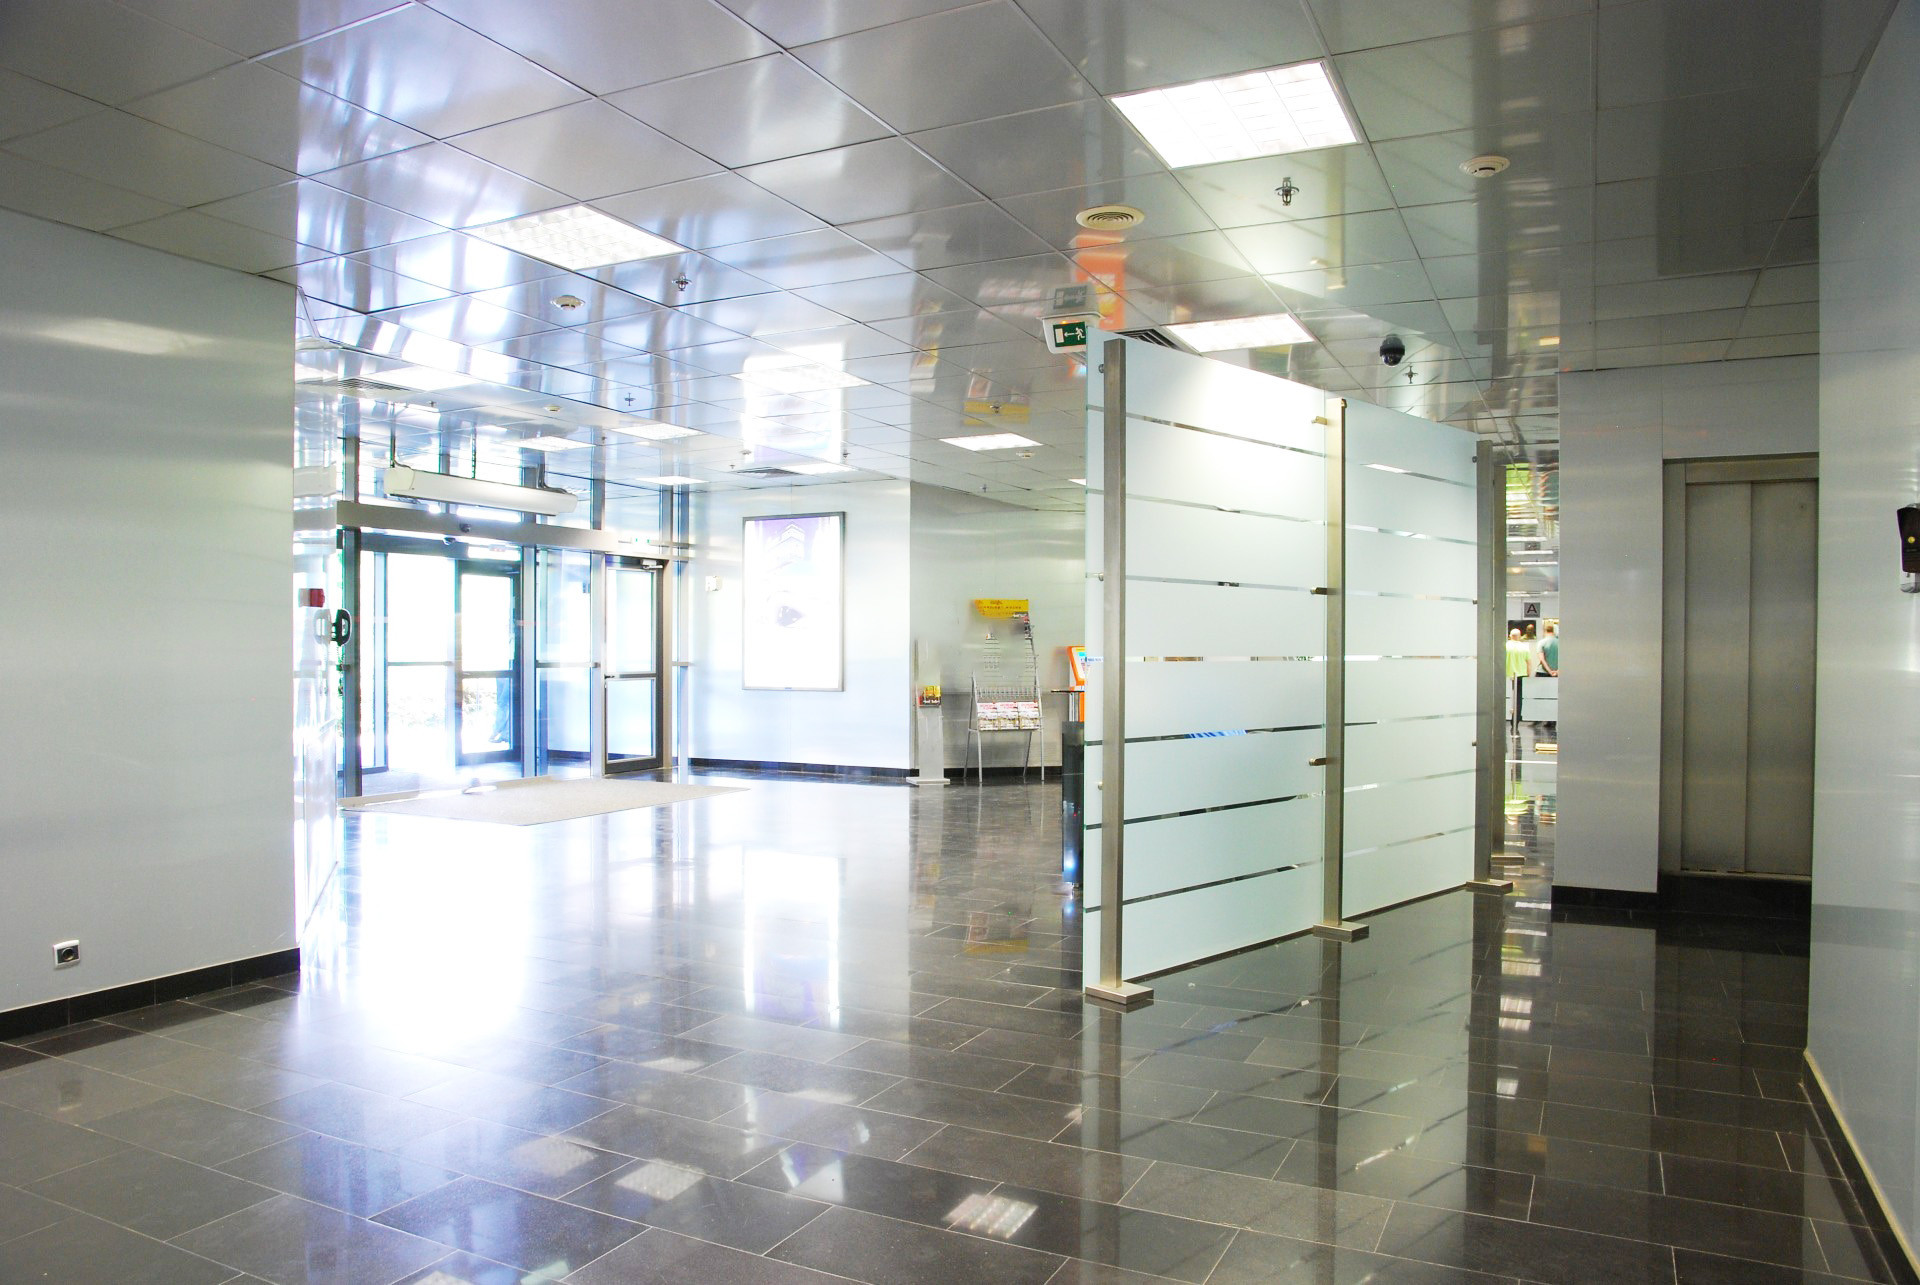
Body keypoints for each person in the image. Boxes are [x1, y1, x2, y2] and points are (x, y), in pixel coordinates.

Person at [1505, 628, 1532, 729]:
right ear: (1520, 636)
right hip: (1521, 675)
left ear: (1510, 636)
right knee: (1518, 699)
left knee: (1506, 698)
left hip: (1507, 675)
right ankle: (1515, 721)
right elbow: (1528, 662)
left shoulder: (1505, 646)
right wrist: (1529, 674)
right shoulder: (1524, 647)